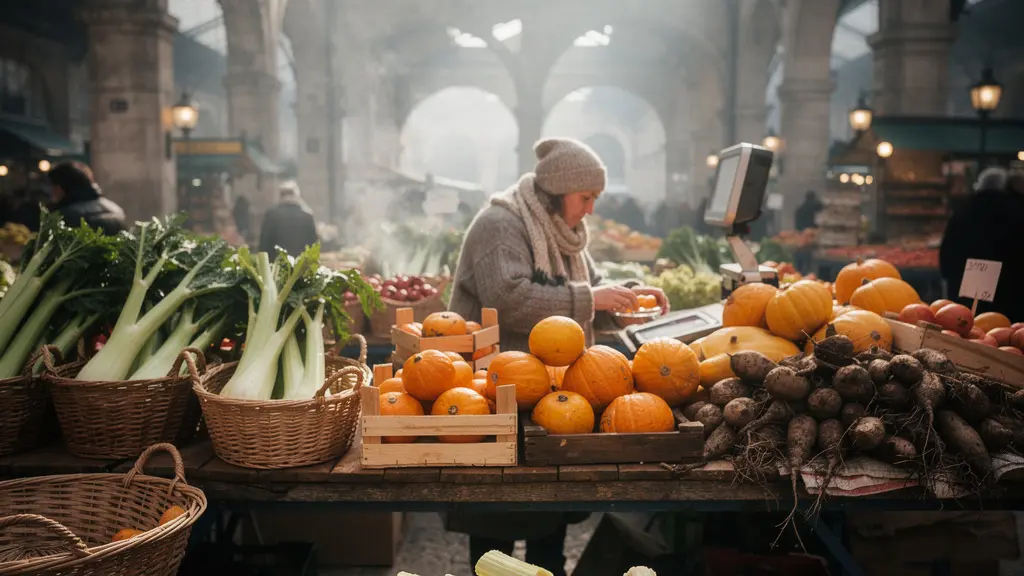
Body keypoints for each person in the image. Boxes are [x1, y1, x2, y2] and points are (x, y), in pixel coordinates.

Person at [447, 138, 669, 575]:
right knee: (498, 506)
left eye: (594, 199)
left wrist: (627, 297)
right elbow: (508, 297)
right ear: (557, 191)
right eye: (585, 198)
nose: (590, 209)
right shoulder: (500, 224)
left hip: (547, 389)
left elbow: (589, 290)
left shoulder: (558, 232)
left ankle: (550, 566)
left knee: (549, 495)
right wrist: (594, 298)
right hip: (495, 386)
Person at [940, 167, 1024, 321]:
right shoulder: (1018, 210)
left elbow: (947, 251)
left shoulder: (963, 210)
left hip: (966, 286)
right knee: (1004, 333)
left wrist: (947, 274)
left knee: (967, 327)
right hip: (1009, 290)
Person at [45, 161, 126, 235]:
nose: (52, 192)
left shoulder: (65, 217)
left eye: (53, 186)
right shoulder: (115, 209)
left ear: (60, 187)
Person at [258, 182, 319, 256]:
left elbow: (264, 245)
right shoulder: (307, 216)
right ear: (297, 195)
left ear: (280, 196)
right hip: (302, 264)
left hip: (278, 264)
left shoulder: (272, 215)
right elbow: (314, 246)